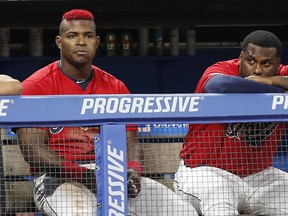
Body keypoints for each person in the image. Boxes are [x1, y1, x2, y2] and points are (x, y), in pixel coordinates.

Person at [15, 9, 197, 216]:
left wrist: (133, 170)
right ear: (59, 42)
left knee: (182, 211)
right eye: (72, 36)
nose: (81, 42)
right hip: (57, 179)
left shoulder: (115, 86)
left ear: (97, 42)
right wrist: (85, 175)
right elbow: (32, 150)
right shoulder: (37, 85)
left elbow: (131, 141)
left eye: (88, 36)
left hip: (111, 176)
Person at [174, 29, 288, 216]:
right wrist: (275, 91)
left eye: (266, 64)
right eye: (250, 61)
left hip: (259, 178)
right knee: (219, 203)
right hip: (204, 173)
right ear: (240, 57)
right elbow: (218, 86)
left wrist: (271, 80)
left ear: (278, 65)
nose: (257, 70)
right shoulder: (222, 69)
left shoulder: (279, 75)